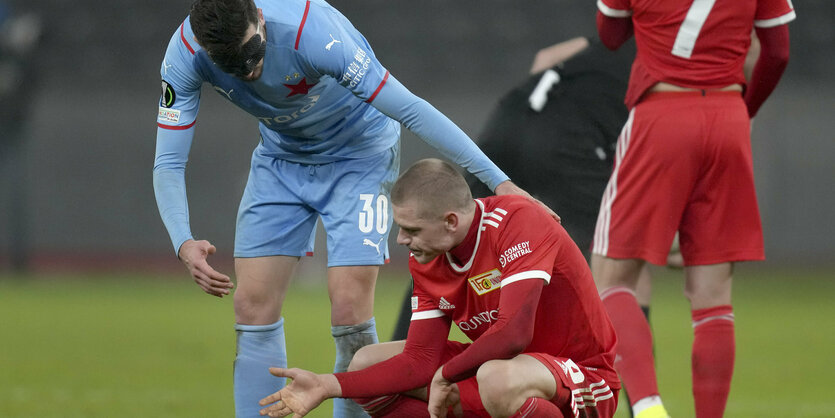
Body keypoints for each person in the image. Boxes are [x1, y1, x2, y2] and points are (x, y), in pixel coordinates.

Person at [153, 0, 551, 416]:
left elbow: (411, 109)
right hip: (280, 159)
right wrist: (182, 239)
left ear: (261, 20)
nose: (249, 71)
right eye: (232, 65)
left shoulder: (317, 36)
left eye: (253, 54)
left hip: (359, 156)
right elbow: (168, 160)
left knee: (348, 306)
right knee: (251, 304)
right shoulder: (184, 55)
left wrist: (499, 180)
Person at [257, 158, 620, 418]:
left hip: (582, 378)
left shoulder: (518, 222)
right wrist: (327, 384)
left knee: (496, 378)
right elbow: (419, 360)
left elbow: (513, 334)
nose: (400, 240)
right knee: (366, 361)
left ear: (450, 221)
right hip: (499, 374)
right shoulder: (427, 260)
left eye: (411, 230)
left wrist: (446, 375)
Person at [592, 1, 795, 417]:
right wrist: (744, 108)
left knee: (610, 279)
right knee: (714, 296)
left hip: (661, 114)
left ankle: (648, 408)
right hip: (727, 117)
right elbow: (777, 52)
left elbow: (609, 36)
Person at [390, 37, 665, 342]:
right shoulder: (672, 58)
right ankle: (627, 388)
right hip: (571, 142)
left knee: (446, 236)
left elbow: (546, 56)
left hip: (509, 125)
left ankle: (402, 359)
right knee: (623, 267)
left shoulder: (616, 38)